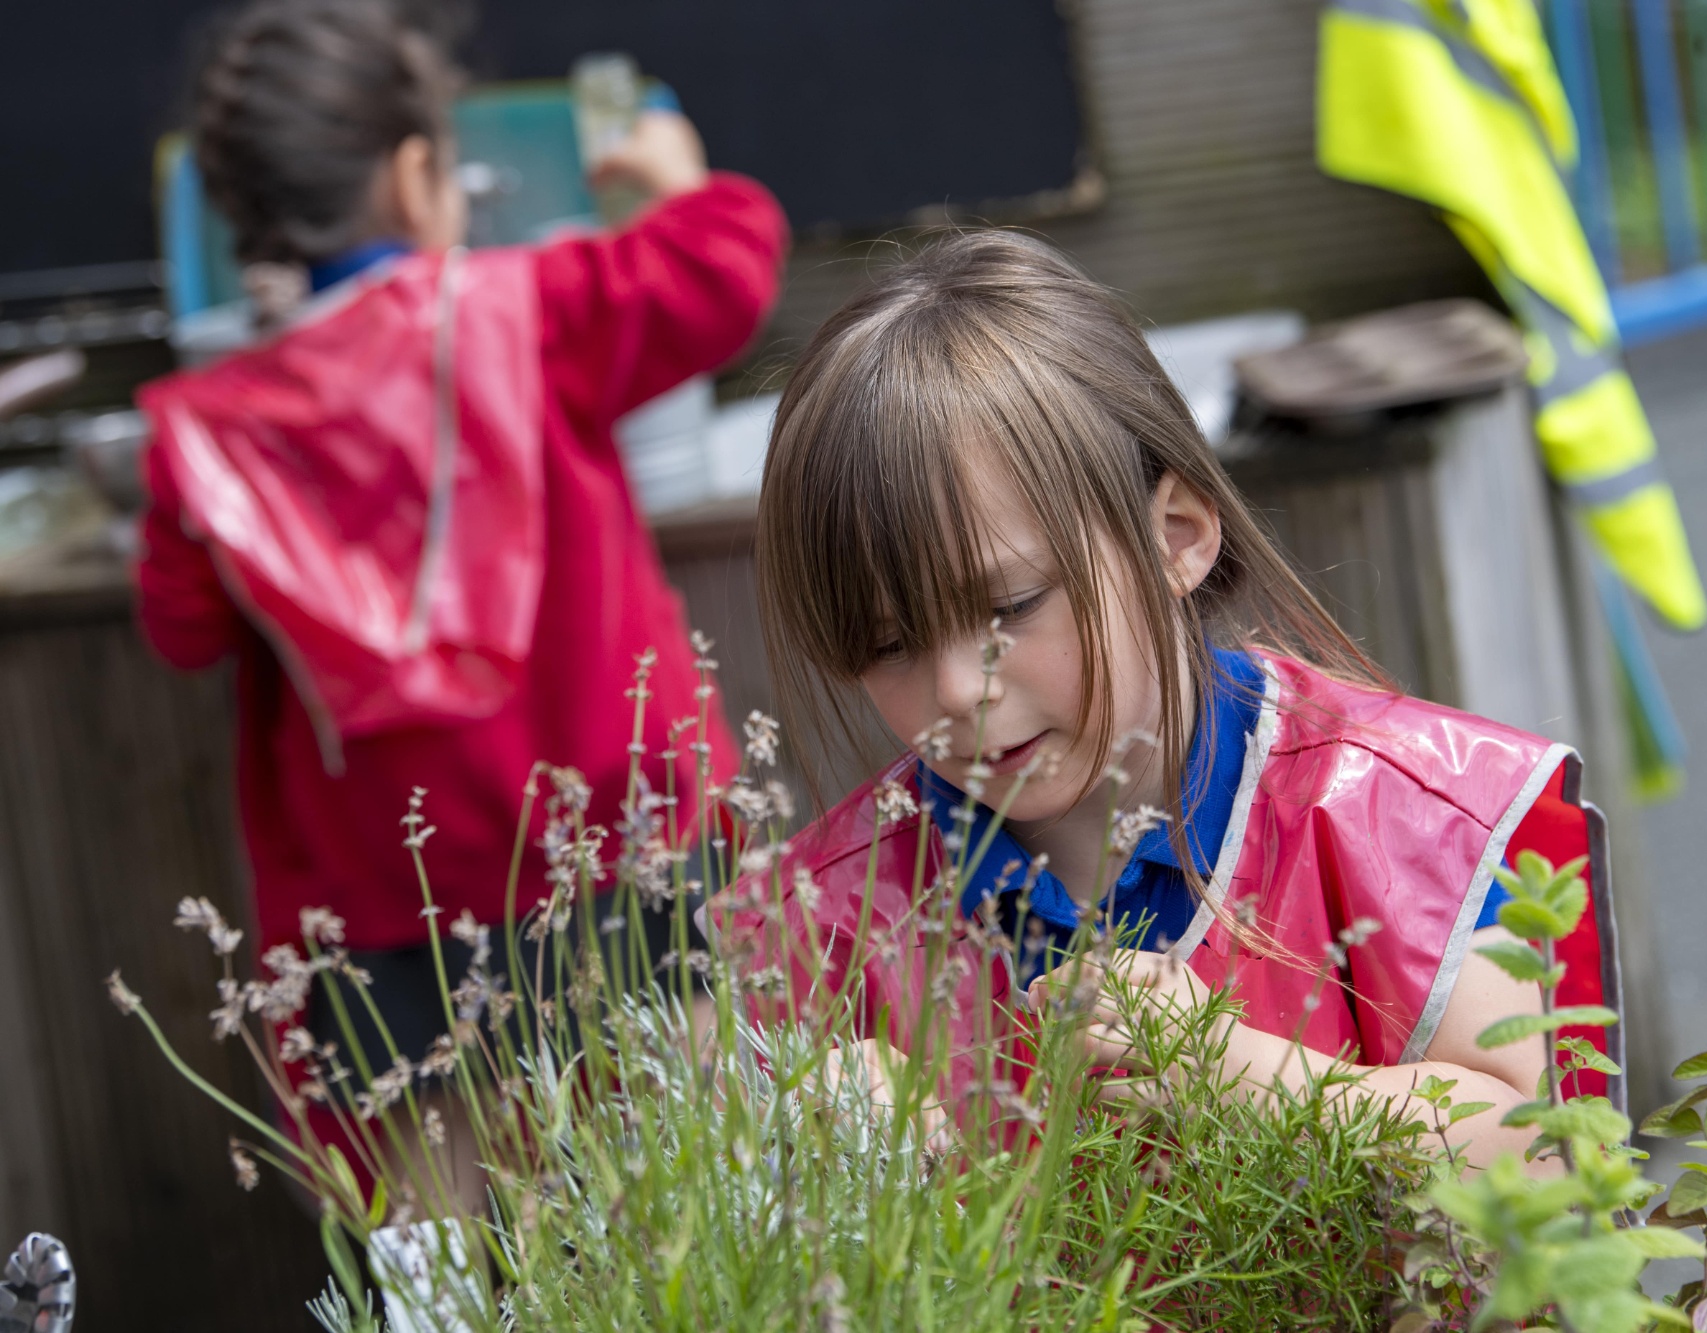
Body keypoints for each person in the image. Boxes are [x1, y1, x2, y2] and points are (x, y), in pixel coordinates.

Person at [716, 230, 1614, 1169]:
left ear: (1177, 535)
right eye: (887, 645)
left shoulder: (1411, 808)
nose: (952, 692)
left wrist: (1243, 1075)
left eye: (1008, 606)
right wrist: (805, 1172)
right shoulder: (818, 919)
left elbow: (1543, 1156)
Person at [134, 0, 787, 1203]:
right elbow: (722, 269)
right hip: (614, 844)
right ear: (415, 168)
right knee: (692, 1193)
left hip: (380, 900)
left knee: (432, 1240)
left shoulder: (209, 439)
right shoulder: (525, 315)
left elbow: (182, 627)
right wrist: (675, 181)